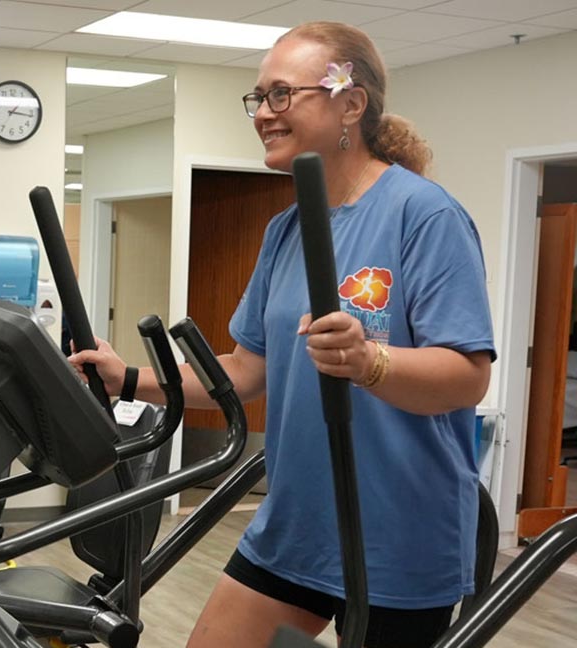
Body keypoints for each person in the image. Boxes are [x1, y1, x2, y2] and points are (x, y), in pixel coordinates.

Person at [69, 21, 495, 648]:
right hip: (297, 522)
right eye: (258, 98)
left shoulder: (424, 214)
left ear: (350, 103)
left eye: (281, 95)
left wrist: (369, 361)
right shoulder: (287, 229)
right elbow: (244, 373)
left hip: (396, 534)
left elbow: (468, 377)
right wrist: (130, 379)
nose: (263, 113)